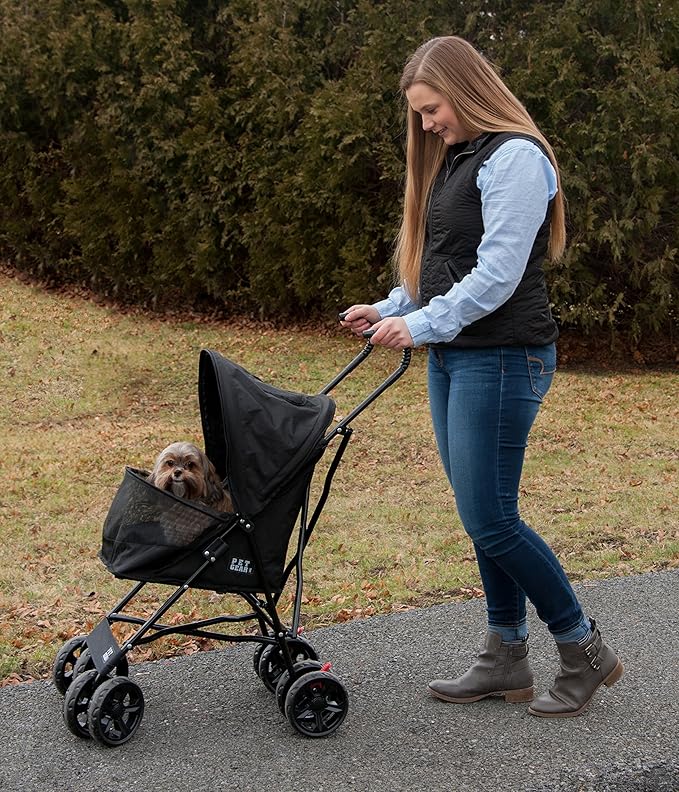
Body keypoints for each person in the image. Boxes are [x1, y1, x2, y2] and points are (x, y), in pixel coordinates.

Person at [340, 35, 623, 718]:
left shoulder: (516, 159)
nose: (427, 123)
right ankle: (504, 656)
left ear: (464, 92)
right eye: (420, 113)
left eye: (431, 108)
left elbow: (495, 275)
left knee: (492, 519)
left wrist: (421, 325)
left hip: (503, 354)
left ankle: (583, 649)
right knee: (481, 517)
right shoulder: (458, 159)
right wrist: (387, 308)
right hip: (458, 356)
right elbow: (442, 261)